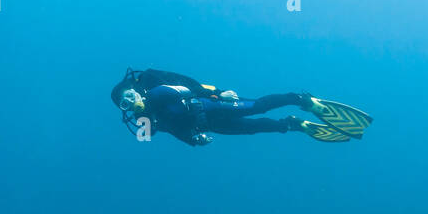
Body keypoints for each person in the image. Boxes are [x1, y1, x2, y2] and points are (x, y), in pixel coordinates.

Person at [110, 67, 372, 145]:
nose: (130, 102)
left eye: (129, 95)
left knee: (256, 107)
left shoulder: (154, 86)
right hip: (210, 124)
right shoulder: (148, 119)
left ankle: (302, 100)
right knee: (253, 128)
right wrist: (193, 140)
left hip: (210, 106)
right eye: (125, 104)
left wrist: (218, 92)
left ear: (133, 89)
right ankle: (293, 125)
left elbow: (184, 84)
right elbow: (172, 130)